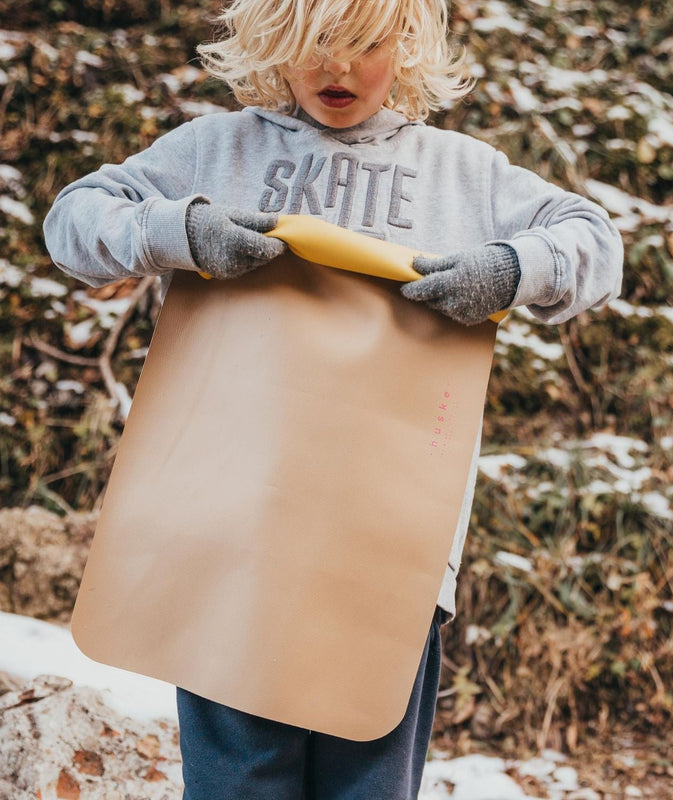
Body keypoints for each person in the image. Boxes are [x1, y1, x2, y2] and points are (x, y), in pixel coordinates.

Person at [43, 0, 624, 796]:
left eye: (363, 44)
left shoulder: (462, 172)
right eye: (313, 45)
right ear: (270, 43)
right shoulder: (220, 150)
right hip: (229, 550)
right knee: (239, 785)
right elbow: (73, 219)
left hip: (390, 560)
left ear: (407, 43)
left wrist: (514, 268)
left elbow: (594, 239)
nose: (337, 69)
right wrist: (182, 229)